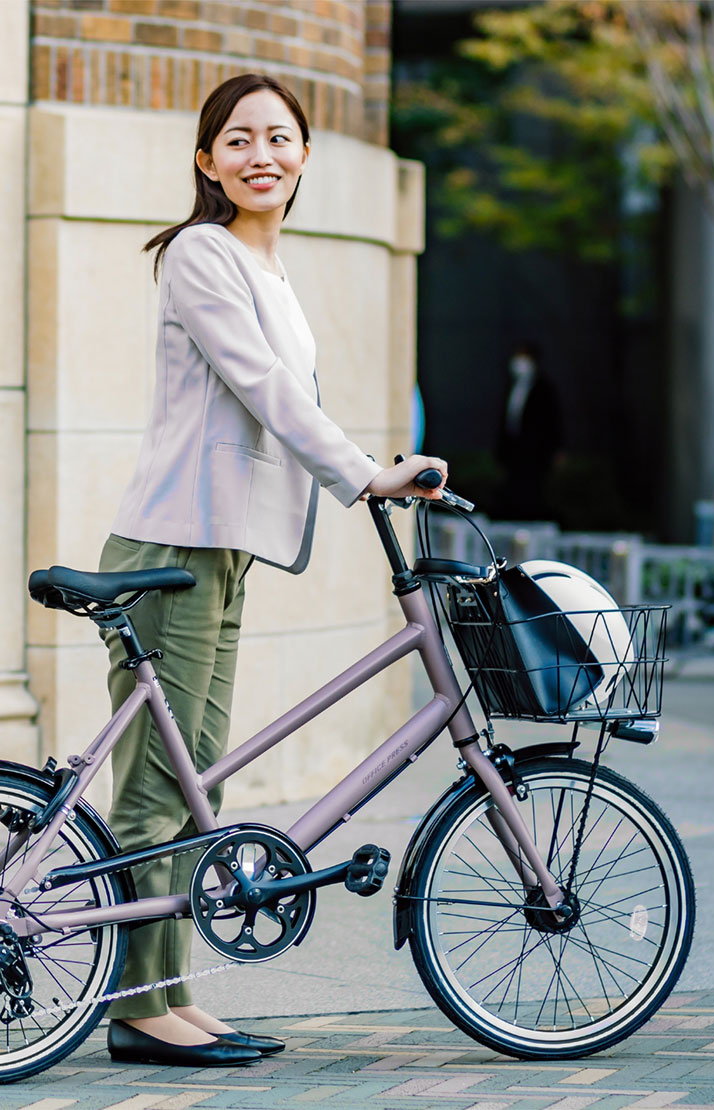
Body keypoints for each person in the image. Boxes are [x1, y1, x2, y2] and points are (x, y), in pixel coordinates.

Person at [98, 72, 448, 1068]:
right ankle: (135, 1003)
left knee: (189, 777)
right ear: (205, 161)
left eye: (278, 137)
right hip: (172, 547)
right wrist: (363, 476)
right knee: (159, 785)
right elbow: (265, 389)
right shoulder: (202, 255)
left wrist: (371, 463)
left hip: (217, 546)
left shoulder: (268, 266)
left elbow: (286, 391)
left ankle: (161, 993)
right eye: (237, 139)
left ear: (302, 158)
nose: (260, 153)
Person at [496, 341, 561, 520]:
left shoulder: (544, 388)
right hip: (514, 454)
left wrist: (553, 450)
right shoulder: (512, 387)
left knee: (533, 494)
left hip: (536, 455)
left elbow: (553, 421)